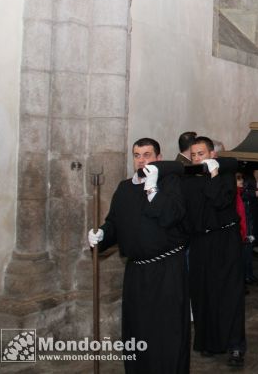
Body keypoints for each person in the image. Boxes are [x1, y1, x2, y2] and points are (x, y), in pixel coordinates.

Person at [88, 138, 190, 373]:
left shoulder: (172, 183)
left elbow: (172, 216)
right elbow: (115, 223)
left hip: (167, 270)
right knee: (138, 329)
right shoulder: (124, 188)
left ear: (158, 158)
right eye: (137, 155)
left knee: (167, 330)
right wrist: (101, 235)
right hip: (136, 272)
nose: (141, 159)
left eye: (147, 155)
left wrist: (153, 189)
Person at [183, 136, 246, 365]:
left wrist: (214, 175)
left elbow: (219, 201)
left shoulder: (226, 177)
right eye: (194, 155)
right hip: (200, 241)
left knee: (230, 293)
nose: (198, 158)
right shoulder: (188, 180)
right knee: (203, 292)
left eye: (201, 153)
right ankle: (208, 342)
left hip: (225, 239)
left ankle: (235, 346)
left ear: (212, 155)